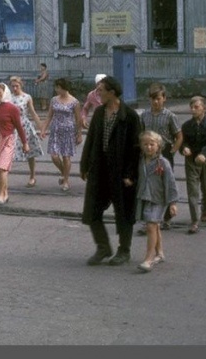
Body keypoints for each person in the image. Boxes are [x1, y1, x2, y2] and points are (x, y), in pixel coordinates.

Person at [79, 75, 142, 266]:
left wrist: (130, 174)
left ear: (112, 92)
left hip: (121, 172)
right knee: (92, 211)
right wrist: (84, 164)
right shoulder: (99, 112)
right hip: (99, 168)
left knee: (123, 212)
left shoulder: (129, 116)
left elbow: (135, 148)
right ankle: (103, 247)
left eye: (100, 90)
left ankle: (124, 250)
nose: (97, 94)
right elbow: (91, 140)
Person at [137, 83, 183, 231]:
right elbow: (141, 134)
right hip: (148, 154)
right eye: (152, 99)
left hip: (165, 154)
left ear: (164, 99)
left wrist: (172, 151)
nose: (155, 102)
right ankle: (150, 220)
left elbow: (179, 136)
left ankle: (167, 218)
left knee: (166, 184)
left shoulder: (170, 116)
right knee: (149, 186)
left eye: (158, 98)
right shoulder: (144, 115)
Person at [135, 131, 179, 273]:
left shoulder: (163, 162)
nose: (149, 147)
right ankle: (159, 253)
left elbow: (171, 183)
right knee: (155, 226)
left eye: (152, 144)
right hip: (145, 196)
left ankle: (149, 258)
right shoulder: (141, 160)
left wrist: (173, 203)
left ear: (158, 146)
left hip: (159, 198)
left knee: (150, 226)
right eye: (145, 144)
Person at [0, 83, 29, 205]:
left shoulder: (12, 108)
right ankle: (5, 193)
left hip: (7, 140)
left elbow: (19, 127)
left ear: (5, 94)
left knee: (1, 168)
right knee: (0, 171)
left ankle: (0, 194)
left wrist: (25, 143)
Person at [181, 96, 206, 234]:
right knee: (192, 191)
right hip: (191, 161)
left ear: (204, 108)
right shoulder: (186, 126)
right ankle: (194, 221)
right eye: (191, 107)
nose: (193, 110)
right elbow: (182, 141)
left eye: (196, 107)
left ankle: (205, 208)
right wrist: (184, 148)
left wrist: (204, 154)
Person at [40, 77, 83, 192]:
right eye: (56, 87)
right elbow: (49, 116)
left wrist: (79, 134)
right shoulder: (54, 100)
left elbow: (78, 119)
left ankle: (66, 180)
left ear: (64, 88)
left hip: (68, 131)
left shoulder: (74, 102)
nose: (56, 90)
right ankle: (64, 173)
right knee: (54, 156)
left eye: (58, 88)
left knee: (66, 156)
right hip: (56, 130)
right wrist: (43, 129)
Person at [8, 75, 44, 188]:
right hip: (13, 128)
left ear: (21, 85)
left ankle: (32, 177)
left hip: (25, 126)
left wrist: (41, 128)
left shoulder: (27, 97)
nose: (14, 88)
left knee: (30, 153)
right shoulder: (9, 98)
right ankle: (2, 178)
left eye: (16, 86)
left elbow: (33, 113)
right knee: (8, 153)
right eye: (12, 86)